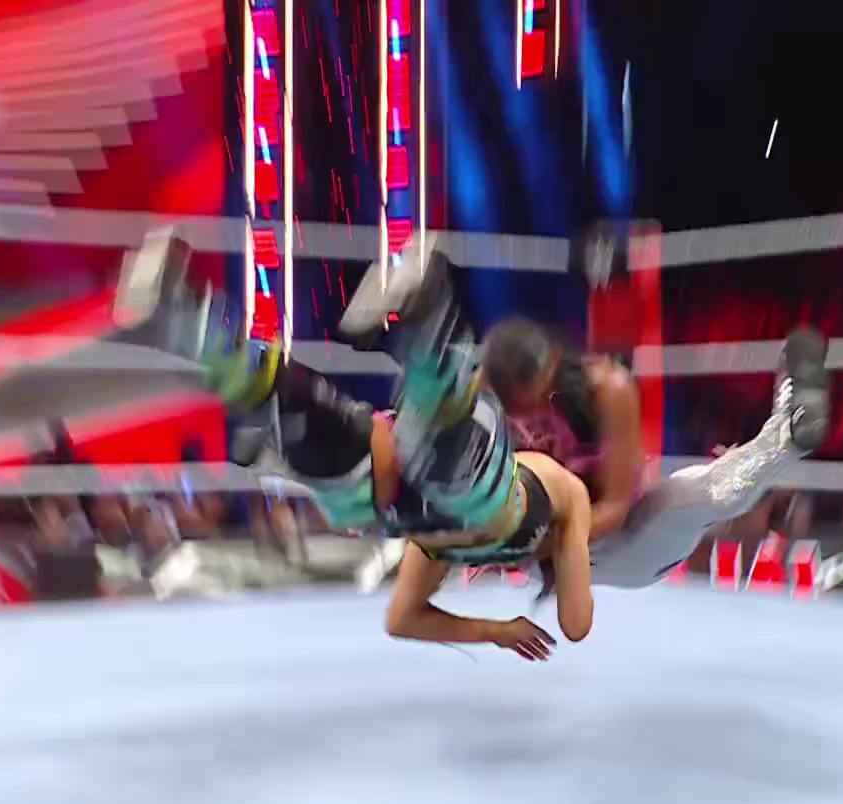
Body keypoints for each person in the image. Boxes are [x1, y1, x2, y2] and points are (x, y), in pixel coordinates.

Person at [113, 229, 592, 660]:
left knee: (283, 403)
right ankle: (428, 321)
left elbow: (402, 619)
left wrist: (495, 631)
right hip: (455, 488)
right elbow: (576, 625)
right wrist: (579, 543)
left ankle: (181, 315)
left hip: (385, 494)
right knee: (450, 458)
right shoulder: (562, 488)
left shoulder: (441, 550)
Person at [479, 316, 831, 588]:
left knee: (691, 494)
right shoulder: (477, 405)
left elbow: (615, 510)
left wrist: (539, 543)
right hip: (541, 561)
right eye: (518, 409)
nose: (532, 422)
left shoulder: (607, 388)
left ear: (552, 367)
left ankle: (786, 434)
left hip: (623, 546)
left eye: (538, 401)